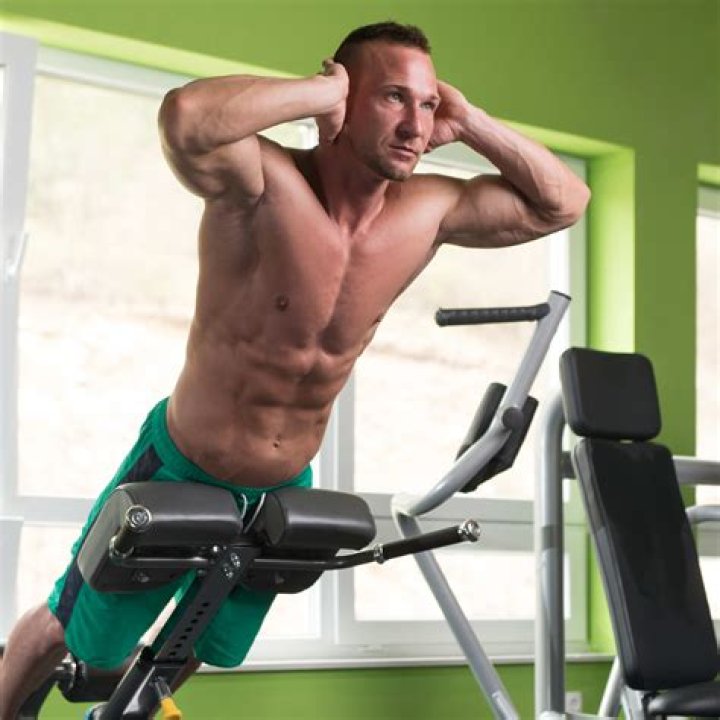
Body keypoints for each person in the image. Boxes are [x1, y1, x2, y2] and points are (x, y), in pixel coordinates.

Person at [0, 20, 590, 718]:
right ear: (344, 97)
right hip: (184, 463)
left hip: (284, 484)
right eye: (393, 97)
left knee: (200, 638)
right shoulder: (261, 182)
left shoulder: (428, 212)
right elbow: (185, 118)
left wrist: (470, 122)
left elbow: (564, 202)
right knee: (69, 627)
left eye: (427, 104)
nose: (415, 123)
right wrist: (317, 94)